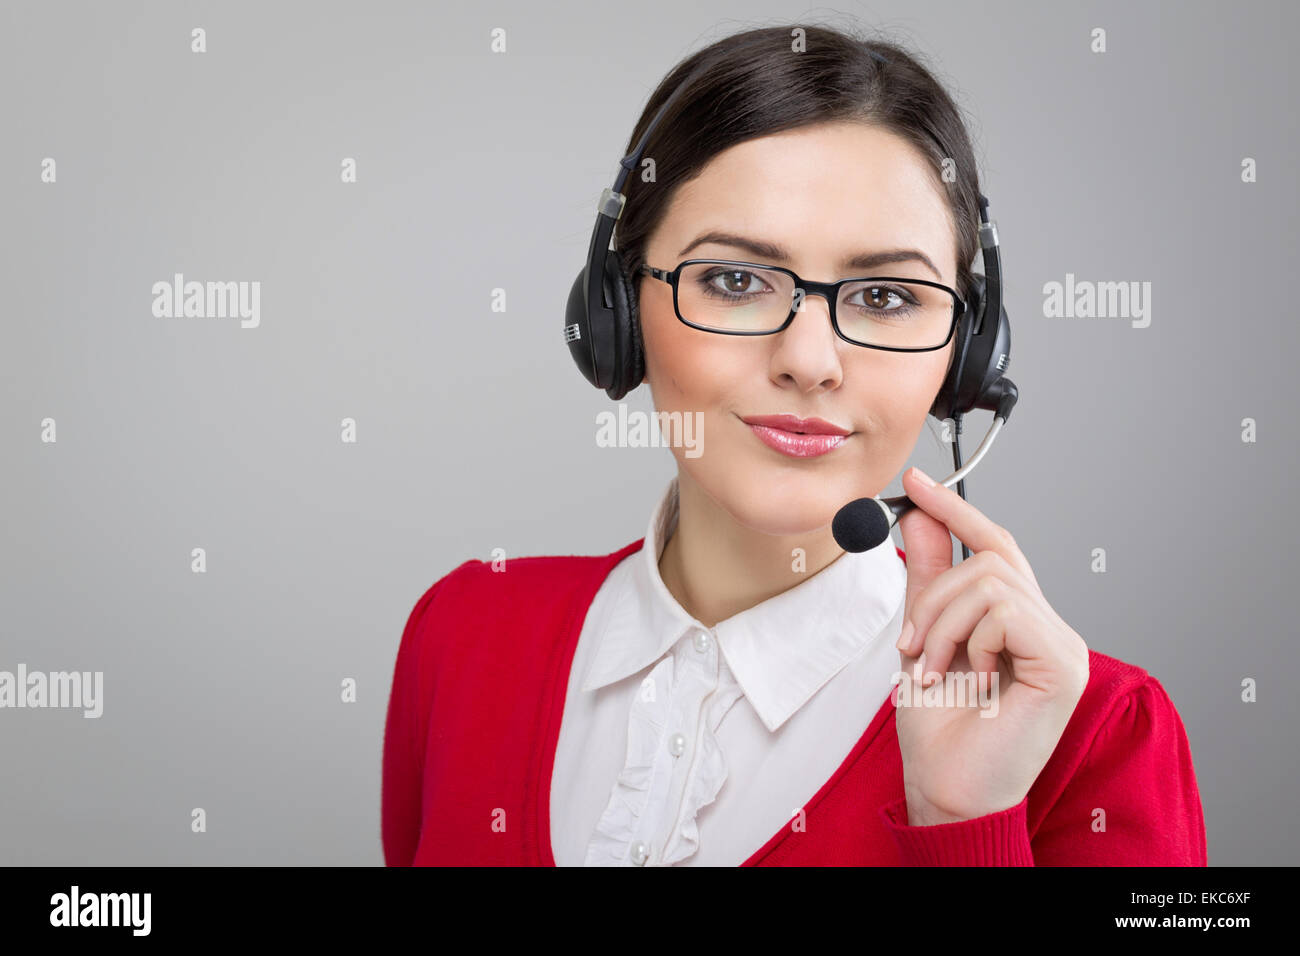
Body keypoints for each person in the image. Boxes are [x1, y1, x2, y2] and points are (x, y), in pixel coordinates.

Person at [382, 23, 1207, 866]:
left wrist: (965, 825)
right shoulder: (463, 635)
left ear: (968, 355)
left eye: (887, 296)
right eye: (734, 280)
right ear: (615, 314)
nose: (810, 362)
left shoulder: (1097, 732)